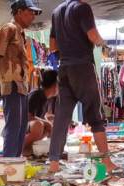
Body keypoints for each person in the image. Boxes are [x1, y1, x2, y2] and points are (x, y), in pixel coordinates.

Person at [48, 0, 117, 174]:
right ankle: (107, 162)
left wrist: (65, 56)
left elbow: (52, 45)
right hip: (83, 67)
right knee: (96, 116)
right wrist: (105, 46)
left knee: (61, 117)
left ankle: (54, 164)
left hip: (64, 69)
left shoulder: (56, 11)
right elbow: (92, 34)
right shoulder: (82, 8)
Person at [0, 0, 41, 158]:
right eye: (30, 12)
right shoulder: (9, 28)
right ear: (19, 12)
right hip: (11, 83)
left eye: (34, 13)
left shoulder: (21, 32)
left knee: (21, 126)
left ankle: (15, 161)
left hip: (21, 85)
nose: (33, 16)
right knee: (13, 125)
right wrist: (1, 79)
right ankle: (9, 162)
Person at [23, 69, 59, 154]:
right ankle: (21, 147)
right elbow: (28, 116)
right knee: (38, 125)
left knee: (50, 124)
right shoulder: (37, 95)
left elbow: (41, 116)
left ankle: (31, 148)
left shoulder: (45, 97)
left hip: (29, 125)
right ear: (54, 85)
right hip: (22, 125)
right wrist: (47, 123)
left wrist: (50, 119)